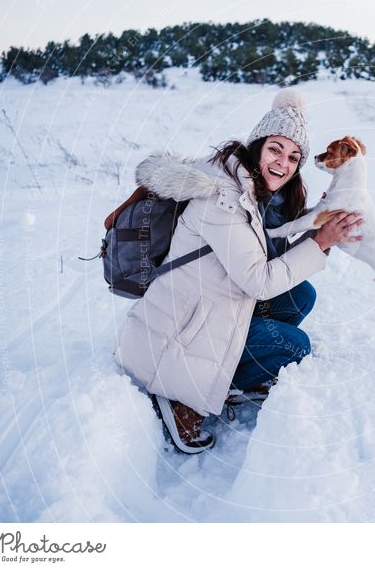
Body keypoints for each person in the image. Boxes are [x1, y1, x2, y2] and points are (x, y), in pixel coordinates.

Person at [114, 89, 362, 454]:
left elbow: (268, 256)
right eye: (276, 149)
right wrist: (320, 243)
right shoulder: (223, 198)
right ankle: (184, 397)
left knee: (301, 295)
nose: (283, 163)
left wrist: (314, 227)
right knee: (296, 346)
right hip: (179, 335)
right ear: (257, 145)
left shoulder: (258, 193)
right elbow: (259, 280)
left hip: (210, 309)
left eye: (294, 157)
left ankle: (230, 368)